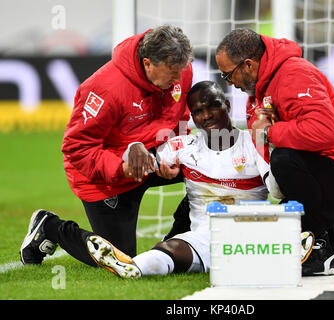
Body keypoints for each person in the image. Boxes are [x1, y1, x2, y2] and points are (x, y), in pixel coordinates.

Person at [20, 81, 287, 278]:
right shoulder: (185, 146)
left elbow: (276, 191)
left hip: (251, 236)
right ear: (192, 117)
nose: (206, 116)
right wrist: (133, 146)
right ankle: (128, 266)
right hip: (203, 237)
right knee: (162, 255)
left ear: (227, 105)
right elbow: (141, 161)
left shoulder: (252, 142)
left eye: (212, 106)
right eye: (197, 111)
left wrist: (264, 143)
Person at [214, 28, 334, 275]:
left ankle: (320, 253)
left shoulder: (293, 74)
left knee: (284, 160)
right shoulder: (260, 90)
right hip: (327, 174)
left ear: (248, 65)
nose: (229, 83)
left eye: (228, 75)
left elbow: (326, 131)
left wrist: (271, 132)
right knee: (282, 231)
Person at [20, 25, 193, 267]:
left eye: (181, 71)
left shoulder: (180, 70)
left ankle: (175, 241)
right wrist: (121, 169)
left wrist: (173, 154)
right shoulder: (104, 88)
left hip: (152, 157)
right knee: (120, 260)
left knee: (210, 170)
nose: (178, 79)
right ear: (147, 63)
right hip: (105, 176)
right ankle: (49, 227)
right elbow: (77, 148)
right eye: (172, 72)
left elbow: (179, 117)